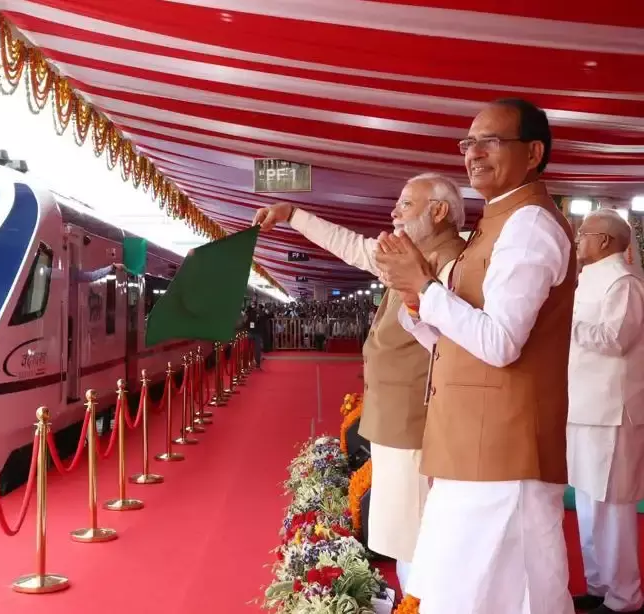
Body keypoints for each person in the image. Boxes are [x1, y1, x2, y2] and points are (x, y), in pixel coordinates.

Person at [374, 98, 576, 614]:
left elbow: (500, 342)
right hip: (475, 445)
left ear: (533, 153)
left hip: (504, 451)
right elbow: (458, 344)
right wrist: (420, 302)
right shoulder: (497, 224)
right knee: (465, 595)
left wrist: (426, 286)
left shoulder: (529, 225)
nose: (474, 153)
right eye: (468, 143)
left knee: (494, 597)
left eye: (491, 141)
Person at [252, 173, 467, 590]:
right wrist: (293, 214)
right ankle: (413, 597)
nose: (393, 213)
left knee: (416, 527)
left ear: (438, 212)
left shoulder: (452, 265)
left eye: (405, 205)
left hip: (417, 417)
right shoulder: (412, 256)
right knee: (402, 527)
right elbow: (352, 246)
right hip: (394, 414)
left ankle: (422, 601)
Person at [567, 208, 644, 614]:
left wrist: (566, 324)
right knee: (587, 504)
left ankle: (626, 597)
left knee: (613, 508)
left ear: (606, 241)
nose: (579, 239)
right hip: (582, 406)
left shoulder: (625, 282)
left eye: (585, 233)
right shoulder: (587, 280)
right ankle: (598, 585)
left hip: (613, 412)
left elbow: (616, 339)